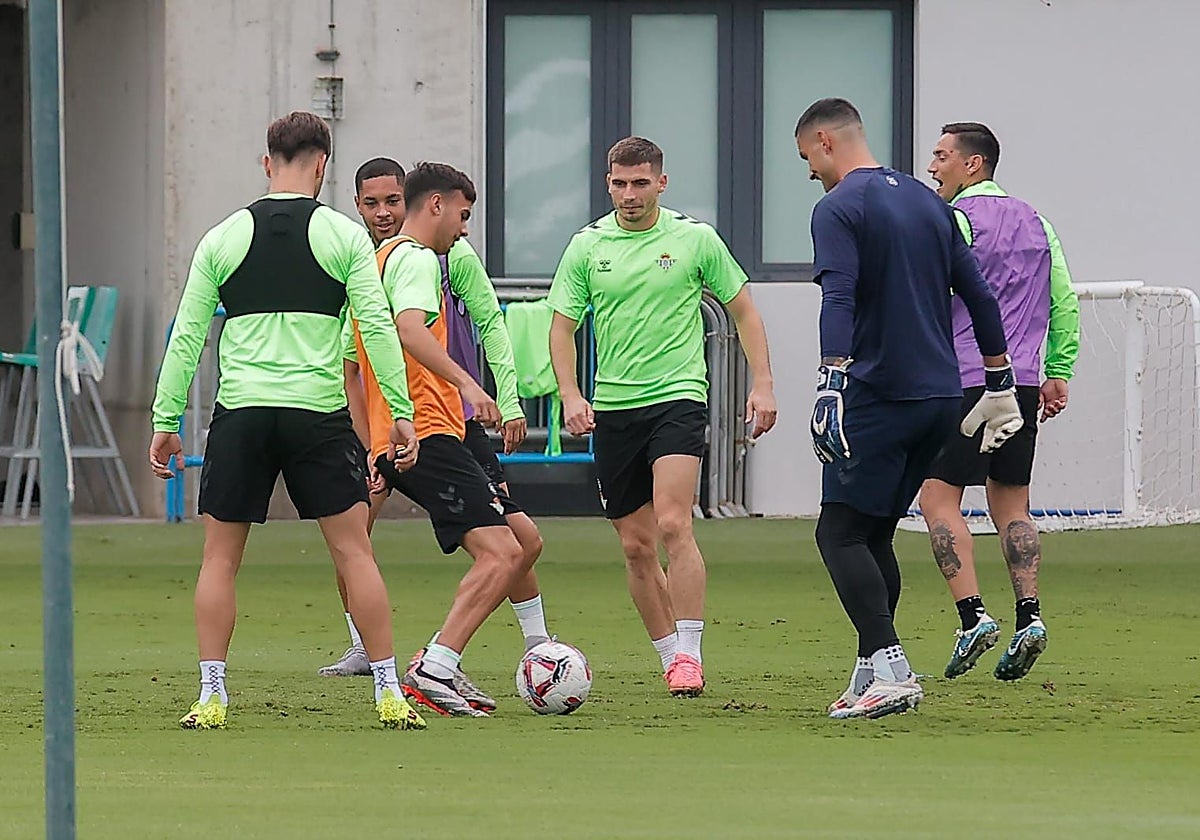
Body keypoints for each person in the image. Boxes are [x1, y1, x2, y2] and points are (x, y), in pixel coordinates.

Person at [148, 112, 425, 731]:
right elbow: (377, 328)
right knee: (356, 554)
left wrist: (166, 418)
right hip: (317, 416)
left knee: (219, 560)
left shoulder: (220, 238)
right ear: (323, 166)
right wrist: (400, 414)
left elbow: (189, 335)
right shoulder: (345, 237)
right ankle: (389, 692)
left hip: (242, 415)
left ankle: (213, 694)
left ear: (266, 163)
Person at [794, 98, 1024, 720]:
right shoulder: (931, 202)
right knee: (872, 533)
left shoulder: (838, 207)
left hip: (878, 394)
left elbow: (837, 295)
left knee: (838, 532)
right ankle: (871, 669)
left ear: (824, 142)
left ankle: (891, 665)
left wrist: (829, 382)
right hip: (942, 398)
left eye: (807, 160)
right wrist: (999, 376)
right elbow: (977, 292)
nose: (810, 173)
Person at [548, 136, 777, 698]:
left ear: (661, 183)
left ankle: (691, 656)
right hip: (614, 408)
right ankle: (670, 654)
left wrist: (763, 382)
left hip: (677, 397)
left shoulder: (695, 239)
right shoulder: (586, 246)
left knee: (674, 523)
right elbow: (561, 326)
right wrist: (571, 395)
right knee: (635, 546)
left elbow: (743, 309)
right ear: (608, 183)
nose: (630, 194)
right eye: (620, 184)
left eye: (641, 183)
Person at [321, 158, 551, 714]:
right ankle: (434, 667)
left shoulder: (373, 262)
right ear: (438, 205)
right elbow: (408, 331)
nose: (465, 229)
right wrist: (470, 385)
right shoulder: (418, 259)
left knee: (521, 542)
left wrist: (370, 439)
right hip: (428, 431)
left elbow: (353, 365)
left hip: (413, 432)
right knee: (500, 553)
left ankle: (512, 651)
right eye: (464, 215)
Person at [919, 122, 1080, 681]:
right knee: (1012, 503)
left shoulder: (951, 221)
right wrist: (1057, 371)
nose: (932, 166)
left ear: (973, 164)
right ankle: (1030, 618)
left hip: (967, 378)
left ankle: (972, 618)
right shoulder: (1038, 221)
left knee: (938, 498)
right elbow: (1064, 299)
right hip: (1025, 382)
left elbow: (929, 296)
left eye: (940, 155)